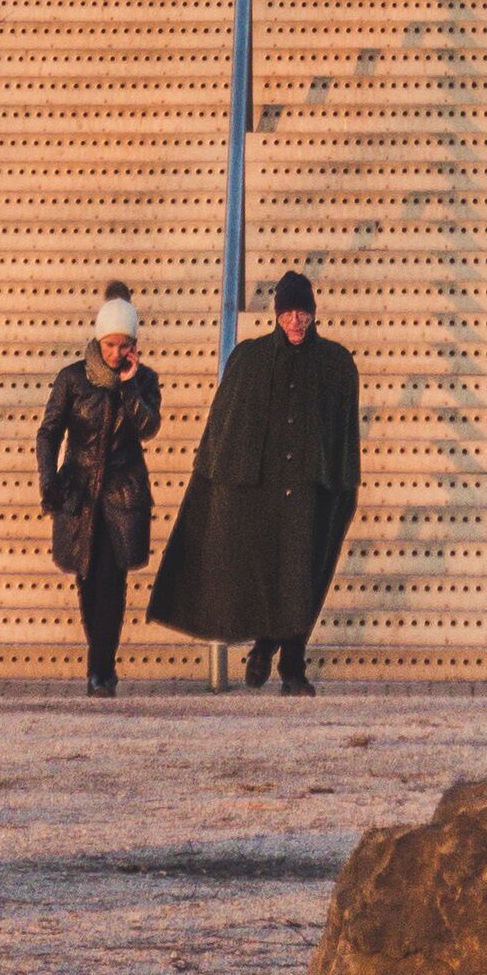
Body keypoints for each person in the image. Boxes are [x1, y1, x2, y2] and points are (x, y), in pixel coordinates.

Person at [147, 268, 360, 693]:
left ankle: (292, 668)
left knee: (303, 577)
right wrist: (216, 479)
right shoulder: (250, 358)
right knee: (267, 576)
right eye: (288, 313)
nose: (295, 321)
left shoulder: (335, 363)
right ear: (276, 315)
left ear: (314, 313)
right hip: (260, 488)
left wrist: (343, 482)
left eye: (302, 312)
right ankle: (264, 647)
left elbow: (343, 429)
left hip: (309, 487)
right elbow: (225, 423)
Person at [37, 283, 160, 697]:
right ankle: (101, 663)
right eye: (110, 344)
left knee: (112, 579)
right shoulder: (73, 379)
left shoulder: (144, 380)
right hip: (80, 495)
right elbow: (49, 432)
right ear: (98, 339)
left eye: (124, 345)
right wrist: (49, 479)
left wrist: (128, 387)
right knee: (87, 582)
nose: (116, 353)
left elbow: (149, 428)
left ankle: (100, 670)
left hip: (122, 495)